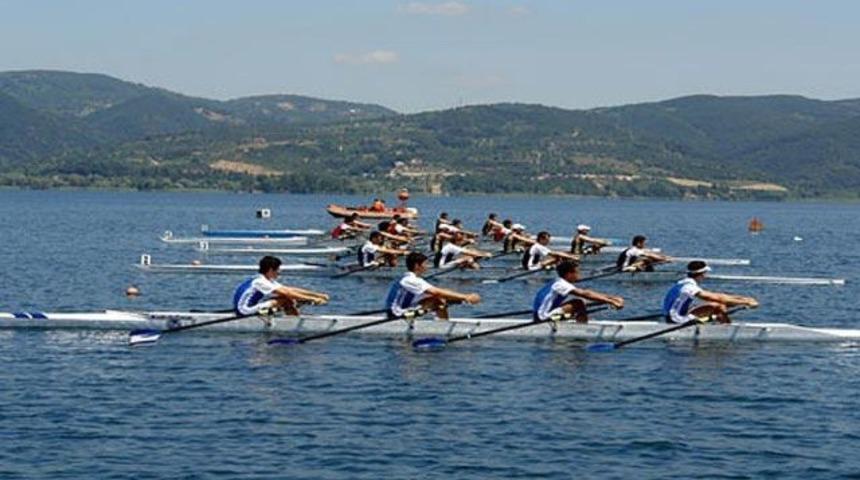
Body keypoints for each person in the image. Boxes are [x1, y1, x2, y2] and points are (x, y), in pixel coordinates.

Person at [385, 252, 481, 320]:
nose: (427, 266)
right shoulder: (410, 280)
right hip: (397, 314)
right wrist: (465, 297)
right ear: (417, 266)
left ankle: (443, 323)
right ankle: (443, 326)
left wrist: (458, 299)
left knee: (439, 298)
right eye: (425, 264)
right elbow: (436, 292)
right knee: (438, 299)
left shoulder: (413, 279)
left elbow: (438, 292)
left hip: (405, 309)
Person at [662, 260, 758, 324]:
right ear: (702, 274)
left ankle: (721, 325)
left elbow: (719, 295)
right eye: (705, 274)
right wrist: (746, 302)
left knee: (719, 305)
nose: (705, 276)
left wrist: (745, 299)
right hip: (677, 319)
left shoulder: (683, 282)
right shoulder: (689, 287)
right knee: (719, 306)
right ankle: (726, 329)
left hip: (673, 315)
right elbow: (718, 298)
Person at [233, 256, 329, 317]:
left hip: (251, 307)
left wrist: (317, 295)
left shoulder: (266, 279)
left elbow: (289, 289)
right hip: (244, 311)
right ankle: (293, 321)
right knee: (285, 299)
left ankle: (293, 318)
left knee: (286, 298)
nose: (279, 272)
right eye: (278, 269)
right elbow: (288, 293)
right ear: (271, 270)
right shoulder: (260, 282)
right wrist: (312, 299)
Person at [532, 261, 624, 323]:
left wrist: (611, 298)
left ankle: (580, 321)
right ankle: (582, 327)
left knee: (581, 302)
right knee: (578, 303)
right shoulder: (561, 284)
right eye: (577, 272)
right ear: (569, 274)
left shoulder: (558, 281)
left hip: (541, 314)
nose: (579, 275)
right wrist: (611, 301)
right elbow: (585, 294)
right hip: (542, 318)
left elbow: (586, 294)